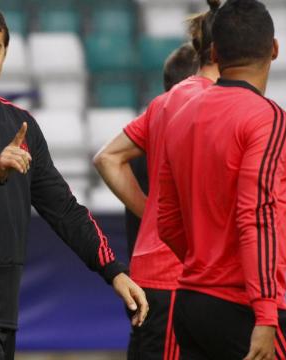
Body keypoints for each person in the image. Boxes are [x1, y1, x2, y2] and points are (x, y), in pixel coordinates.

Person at [0, 1, 148, 359]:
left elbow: (63, 209)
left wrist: (114, 270)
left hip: (3, 312)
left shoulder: (20, 124)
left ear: (5, 52)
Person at [158, 0, 286, 359]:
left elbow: (167, 220)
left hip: (190, 304)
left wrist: (204, 263)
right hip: (242, 306)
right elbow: (257, 215)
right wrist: (264, 315)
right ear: (275, 49)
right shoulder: (268, 119)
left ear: (214, 51)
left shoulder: (181, 115)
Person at [93, 2, 220, 358]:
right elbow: (105, 159)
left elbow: (107, 158)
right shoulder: (180, 121)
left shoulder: (151, 132)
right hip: (173, 281)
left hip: (158, 279)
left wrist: (150, 213)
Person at [124, 42, 199, 260]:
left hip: (144, 270)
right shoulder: (174, 136)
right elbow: (104, 159)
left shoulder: (142, 137)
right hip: (173, 274)